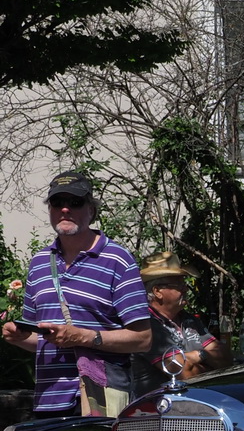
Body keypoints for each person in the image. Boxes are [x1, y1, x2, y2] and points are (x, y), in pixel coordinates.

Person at [3, 171, 151, 415]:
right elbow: (41, 341)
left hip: (100, 400)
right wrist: (19, 338)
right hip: (48, 402)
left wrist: (84, 337)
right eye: (57, 202)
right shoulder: (39, 262)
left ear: (91, 210)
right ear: (50, 209)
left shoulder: (117, 260)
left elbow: (143, 339)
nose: (65, 209)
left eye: (75, 202)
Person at [131, 251, 231, 393]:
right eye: (178, 284)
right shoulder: (147, 325)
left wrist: (198, 356)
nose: (185, 288)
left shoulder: (189, 320)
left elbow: (225, 358)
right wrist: (205, 358)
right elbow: (185, 374)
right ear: (157, 291)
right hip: (160, 410)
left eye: (184, 283)